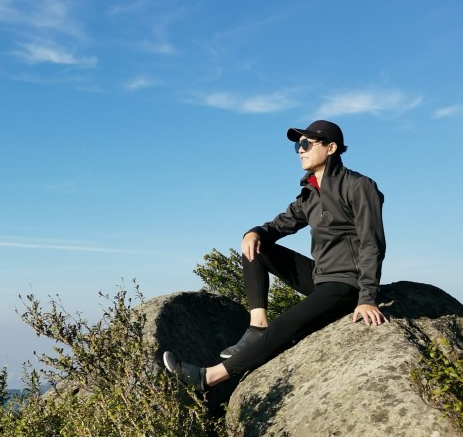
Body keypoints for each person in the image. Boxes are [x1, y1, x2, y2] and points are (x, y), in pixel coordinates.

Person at [164, 119, 387, 391]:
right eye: (297, 145)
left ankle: (207, 377)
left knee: (286, 325)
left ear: (331, 148)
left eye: (306, 143)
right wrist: (254, 232)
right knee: (256, 246)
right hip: (320, 277)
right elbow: (278, 225)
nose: (300, 150)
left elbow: (371, 243)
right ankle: (257, 326)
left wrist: (367, 298)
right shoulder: (310, 194)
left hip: (346, 285)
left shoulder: (358, 186)